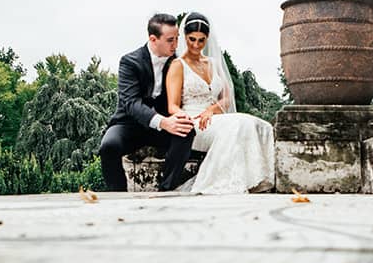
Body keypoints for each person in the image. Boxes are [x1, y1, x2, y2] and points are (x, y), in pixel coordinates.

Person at [165, 12, 275, 194]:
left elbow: (226, 97)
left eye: (201, 40)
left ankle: (254, 179)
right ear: (185, 37)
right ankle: (221, 183)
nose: (196, 45)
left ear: (207, 39)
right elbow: (172, 106)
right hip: (193, 122)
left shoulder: (213, 63)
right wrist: (189, 118)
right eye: (192, 39)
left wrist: (212, 109)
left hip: (214, 117)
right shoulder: (178, 65)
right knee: (238, 124)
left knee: (252, 122)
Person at [98, 13, 196, 191]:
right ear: (153, 39)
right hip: (129, 124)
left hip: (163, 126)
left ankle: (166, 190)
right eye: (170, 40)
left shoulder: (178, 63)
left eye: (177, 39)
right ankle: (117, 196)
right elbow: (130, 103)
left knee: (186, 132)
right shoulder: (130, 61)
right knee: (108, 146)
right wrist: (163, 122)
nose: (176, 45)